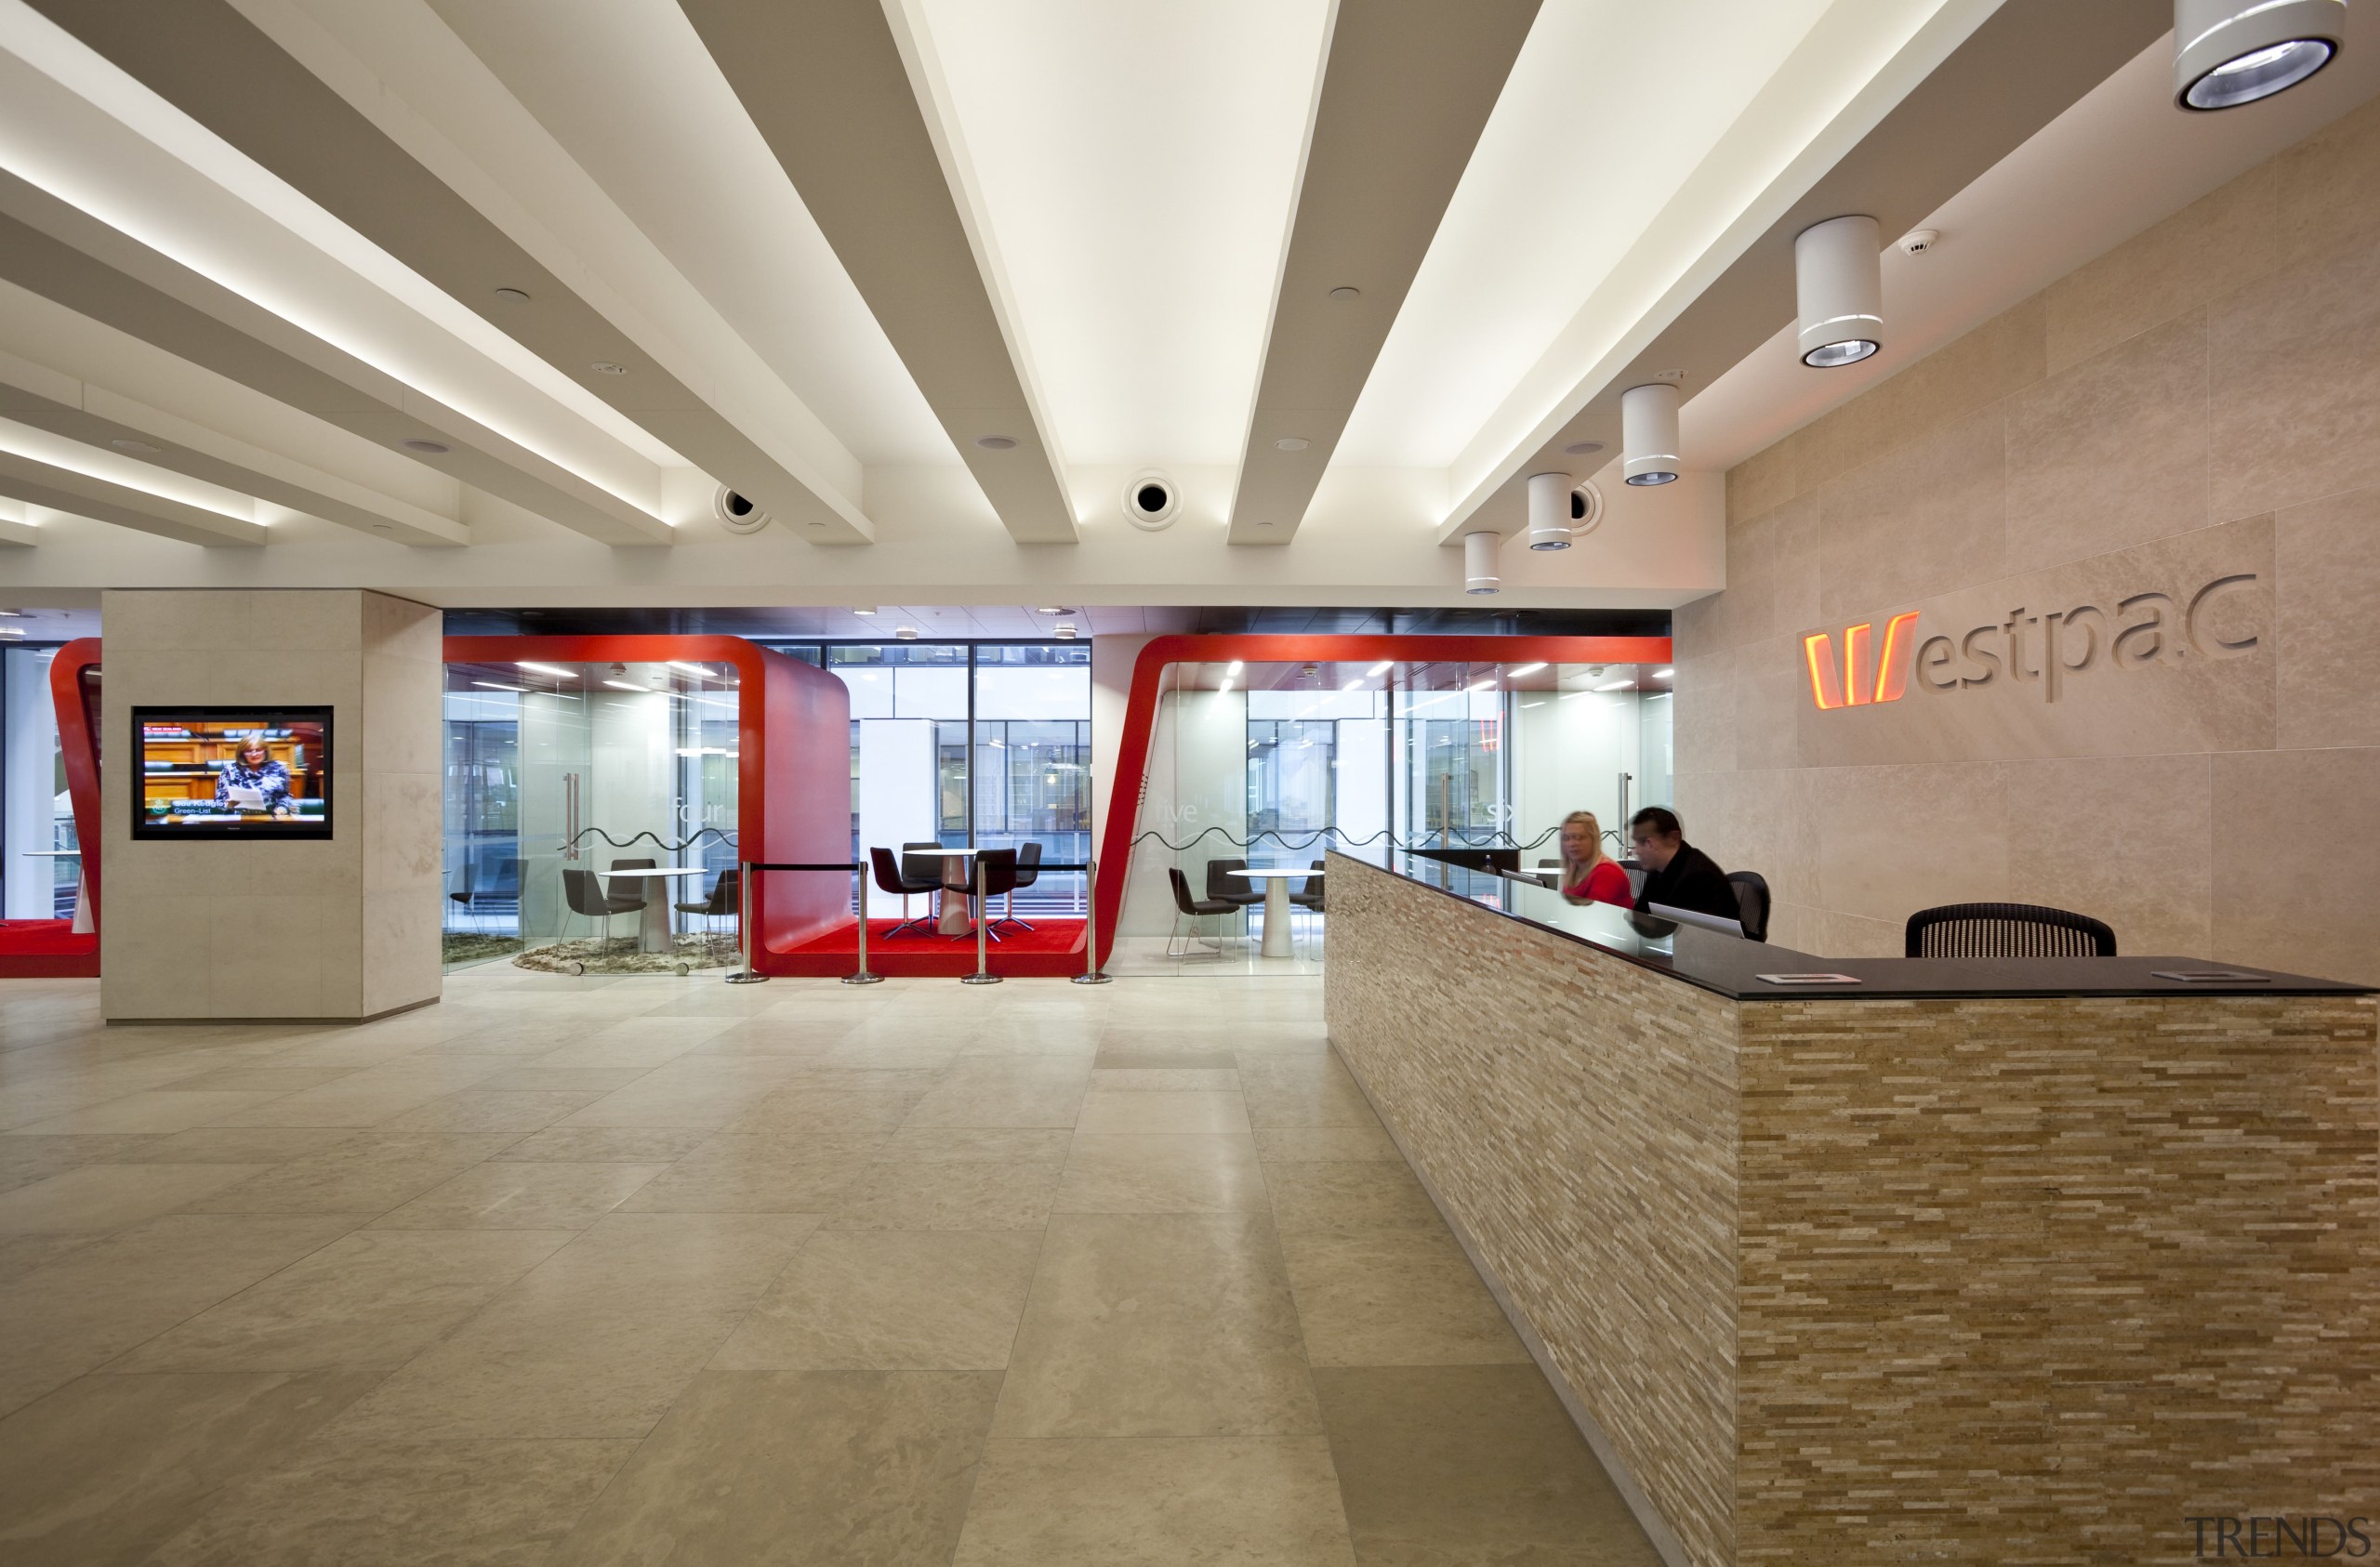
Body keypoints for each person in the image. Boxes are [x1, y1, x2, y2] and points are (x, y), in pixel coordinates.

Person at [1628, 806, 1738, 922]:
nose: (1637, 850)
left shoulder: (1702, 877)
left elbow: (1698, 935)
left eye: (1646, 842)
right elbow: (1641, 916)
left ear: (1673, 838)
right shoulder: (1657, 870)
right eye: (1636, 842)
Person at [1555, 810, 1632, 907]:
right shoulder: (1574, 867)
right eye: (1566, 838)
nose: (1572, 844)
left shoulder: (1607, 872)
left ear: (1594, 839)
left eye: (1579, 837)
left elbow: (1593, 913)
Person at [216, 736, 295, 819]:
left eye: (258, 750)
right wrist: (228, 804)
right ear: (242, 753)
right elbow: (219, 801)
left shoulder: (279, 768)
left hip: (271, 819)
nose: (254, 754)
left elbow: (286, 796)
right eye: (249, 751)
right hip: (239, 819)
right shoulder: (230, 770)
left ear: (265, 750)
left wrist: (282, 808)